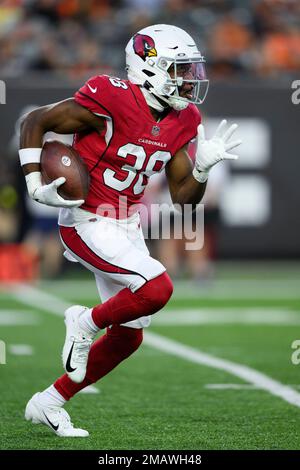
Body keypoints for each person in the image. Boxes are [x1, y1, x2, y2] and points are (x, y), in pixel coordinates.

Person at [19, 24, 241, 437]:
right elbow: (36, 120)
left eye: (190, 70)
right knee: (157, 289)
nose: (189, 80)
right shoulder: (113, 95)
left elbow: (185, 200)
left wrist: (203, 168)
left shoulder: (184, 117)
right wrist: (34, 182)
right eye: (179, 69)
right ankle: (83, 322)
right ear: (149, 69)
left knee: (128, 338)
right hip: (86, 219)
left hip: (126, 222)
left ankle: (49, 402)